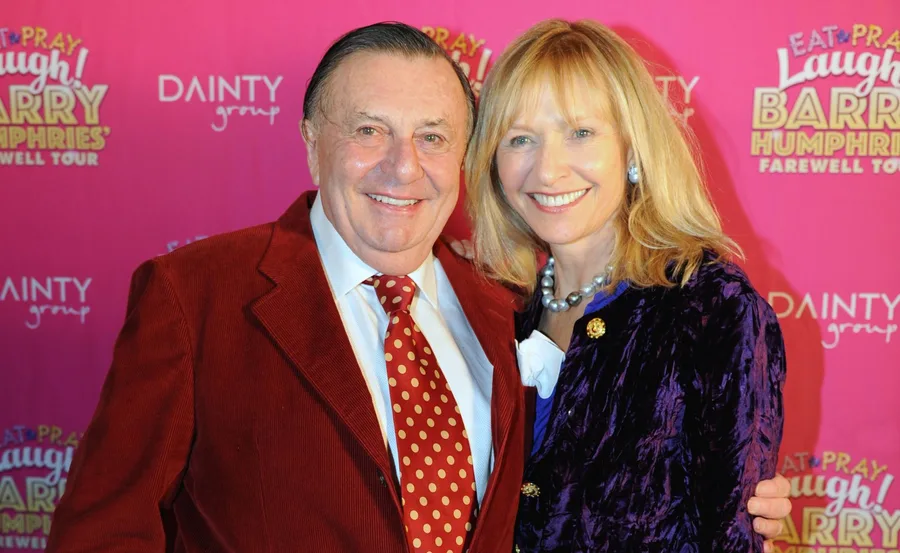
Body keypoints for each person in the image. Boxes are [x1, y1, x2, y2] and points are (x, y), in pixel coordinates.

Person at [45, 22, 789, 553]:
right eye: (370, 130)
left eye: (432, 135)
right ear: (312, 139)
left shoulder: (498, 309)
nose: (404, 167)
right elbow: (106, 530)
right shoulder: (193, 294)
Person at [464, 18, 787, 552]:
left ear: (632, 149)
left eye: (580, 133)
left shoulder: (710, 306)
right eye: (520, 138)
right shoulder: (495, 310)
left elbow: (733, 535)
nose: (548, 170)